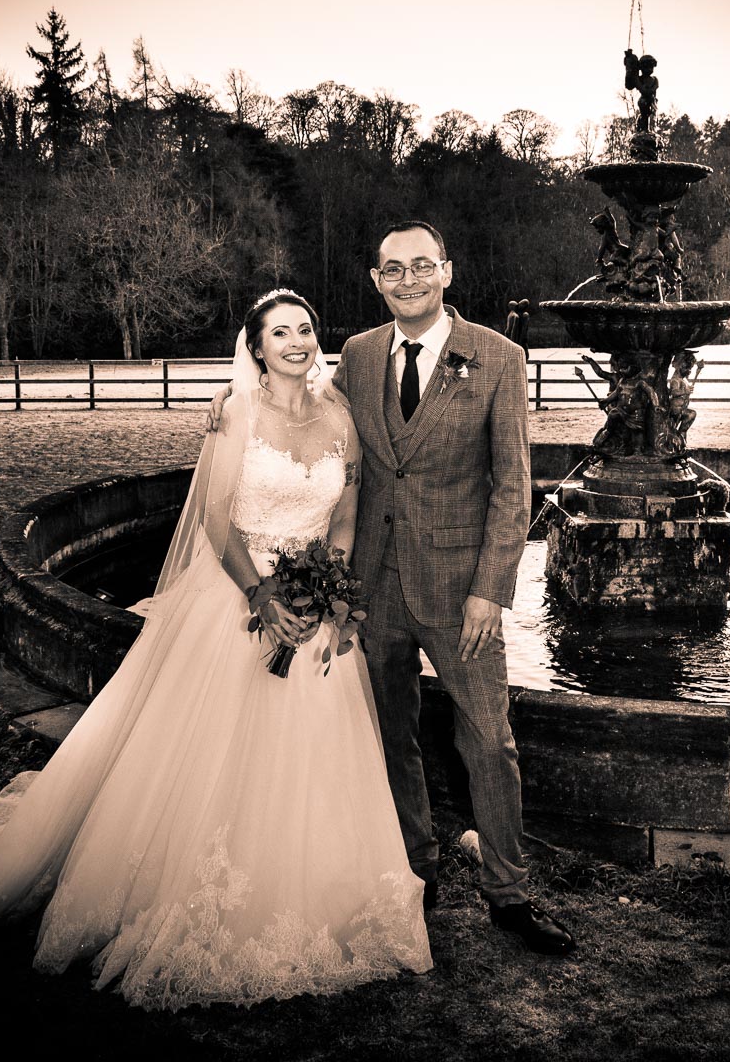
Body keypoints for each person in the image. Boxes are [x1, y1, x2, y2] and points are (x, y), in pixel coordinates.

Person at [0, 290, 432, 1009]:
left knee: (315, 752)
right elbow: (216, 519)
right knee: (207, 754)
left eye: (304, 329)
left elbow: (344, 514)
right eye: (280, 333)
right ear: (256, 348)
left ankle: (323, 881)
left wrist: (329, 592)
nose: (297, 342)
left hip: (313, 610)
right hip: (236, 601)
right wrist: (260, 596)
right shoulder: (236, 413)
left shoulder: (339, 417)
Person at [209, 222, 574, 956]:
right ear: (376, 280)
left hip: (460, 594)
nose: (408, 279)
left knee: (489, 740)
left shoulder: (499, 358)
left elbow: (514, 487)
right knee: (387, 736)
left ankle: (508, 893)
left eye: (421, 265)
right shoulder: (359, 354)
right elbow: (307, 413)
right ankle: (415, 868)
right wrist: (232, 400)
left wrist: (490, 591)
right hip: (367, 587)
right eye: (393, 269)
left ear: (446, 271)